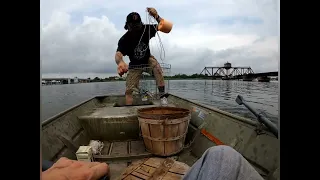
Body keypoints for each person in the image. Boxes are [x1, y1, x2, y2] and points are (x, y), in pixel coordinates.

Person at [41, 145, 263, 180]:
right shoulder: (126, 41)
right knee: (223, 156)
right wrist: (120, 62)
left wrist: (155, 14)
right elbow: (119, 54)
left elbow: (161, 26)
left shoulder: (147, 31)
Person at [115, 7, 168, 106]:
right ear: (127, 26)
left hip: (147, 59)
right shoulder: (124, 39)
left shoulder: (146, 29)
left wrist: (156, 16)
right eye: (132, 26)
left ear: (141, 24)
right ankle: (129, 108)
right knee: (129, 90)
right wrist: (120, 62)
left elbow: (167, 28)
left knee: (157, 68)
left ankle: (162, 96)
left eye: (137, 25)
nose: (135, 28)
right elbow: (118, 54)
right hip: (134, 65)